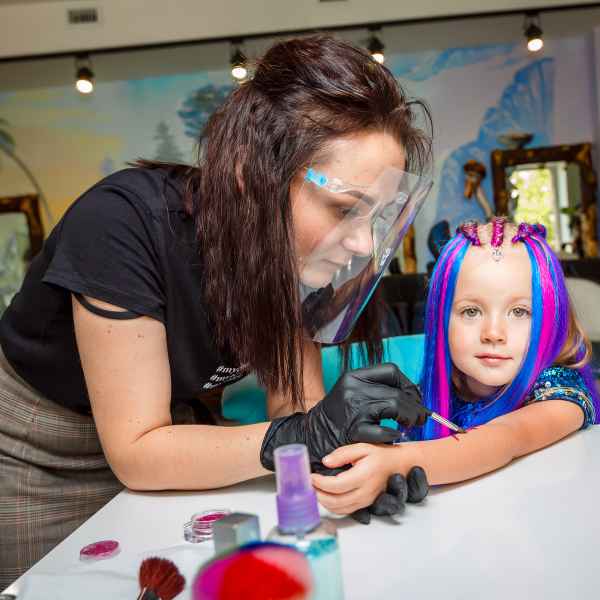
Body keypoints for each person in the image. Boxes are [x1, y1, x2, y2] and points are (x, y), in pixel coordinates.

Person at [0, 34, 434, 586]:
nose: (362, 244)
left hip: (174, 433)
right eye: (344, 208)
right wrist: (304, 436)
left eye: (376, 218)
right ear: (252, 175)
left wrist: (356, 470)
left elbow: (295, 406)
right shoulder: (121, 225)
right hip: (42, 446)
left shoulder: (296, 255)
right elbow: (138, 451)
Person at [312, 218, 599, 515]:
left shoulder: (561, 392)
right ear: (441, 319)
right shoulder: (431, 393)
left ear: (552, 315)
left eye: (519, 311)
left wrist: (398, 462)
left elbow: (507, 438)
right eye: (471, 311)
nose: (493, 333)